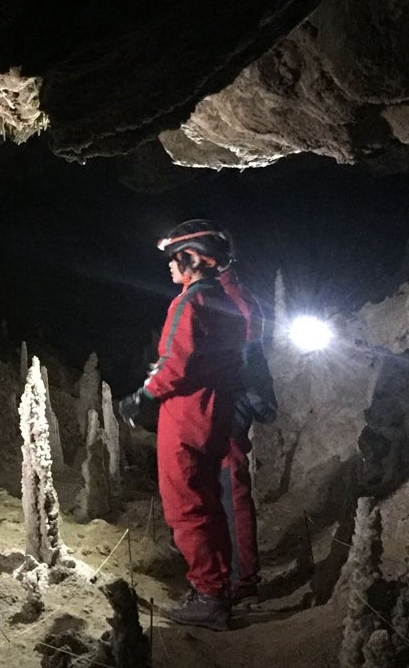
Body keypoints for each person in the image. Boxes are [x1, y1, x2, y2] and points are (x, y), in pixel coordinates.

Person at [119, 220, 247, 631]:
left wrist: (142, 397)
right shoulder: (224, 302)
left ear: (191, 257)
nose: (170, 267)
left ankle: (208, 596)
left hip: (185, 417)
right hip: (215, 412)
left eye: (174, 259)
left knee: (185, 506)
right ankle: (218, 587)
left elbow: (177, 362)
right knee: (209, 503)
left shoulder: (188, 303)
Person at [213, 226, 277, 604]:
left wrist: (248, 400)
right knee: (221, 490)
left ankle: (242, 579)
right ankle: (231, 573)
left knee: (230, 490)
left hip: (229, 404)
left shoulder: (231, 297)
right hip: (225, 401)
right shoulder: (227, 294)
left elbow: (246, 358)